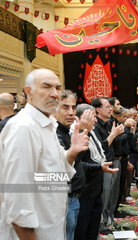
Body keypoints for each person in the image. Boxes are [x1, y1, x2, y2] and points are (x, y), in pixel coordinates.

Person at [0, 69, 89, 240]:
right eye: (47, 87)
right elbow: (18, 199)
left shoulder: (47, 125)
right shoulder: (24, 127)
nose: (55, 94)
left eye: (57, 88)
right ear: (29, 92)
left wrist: (71, 152)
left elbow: (47, 177)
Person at [91, 96, 124, 233]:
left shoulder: (109, 122)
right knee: (104, 196)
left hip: (112, 160)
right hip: (102, 165)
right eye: (107, 107)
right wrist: (113, 134)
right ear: (98, 109)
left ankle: (108, 219)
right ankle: (101, 223)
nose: (111, 109)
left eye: (111, 107)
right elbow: (101, 148)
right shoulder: (95, 125)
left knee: (111, 194)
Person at [54, 90, 84, 240]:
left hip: (73, 197)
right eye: (65, 108)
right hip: (63, 199)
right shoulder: (53, 132)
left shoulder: (66, 131)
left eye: (73, 107)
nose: (71, 112)